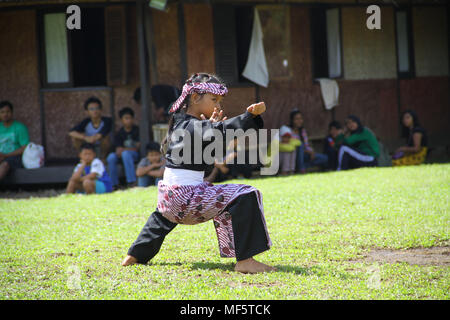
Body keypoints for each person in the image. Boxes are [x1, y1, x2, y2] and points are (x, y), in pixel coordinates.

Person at [122, 73, 275, 274]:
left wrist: (211, 131)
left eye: (220, 101)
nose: (218, 105)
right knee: (247, 193)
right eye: (214, 100)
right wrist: (250, 117)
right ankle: (245, 260)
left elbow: (207, 162)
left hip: (169, 201)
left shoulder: (181, 123)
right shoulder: (190, 125)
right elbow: (224, 131)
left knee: (161, 219)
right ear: (195, 98)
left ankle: (134, 256)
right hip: (186, 198)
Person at [69, 96, 112, 162]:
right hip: (89, 146)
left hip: (101, 147)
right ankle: (82, 156)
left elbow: (102, 134)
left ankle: (103, 158)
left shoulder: (107, 121)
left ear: (101, 110)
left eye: (97, 108)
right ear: (87, 111)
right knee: (75, 138)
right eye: (91, 109)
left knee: (105, 138)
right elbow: (71, 132)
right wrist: (85, 138)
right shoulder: (86, 122)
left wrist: (93, 138)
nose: (95, 111)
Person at [107, 107, 140, 189]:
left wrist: (124, 150)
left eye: (130, 118)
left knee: (125, 154)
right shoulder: (119, 133)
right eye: (126, 118)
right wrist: (121, 151)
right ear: (121, 120)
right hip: (121, 155)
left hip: (135, 155)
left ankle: (131, 182)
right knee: (111, 157)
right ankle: (114, 184)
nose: (128, 120)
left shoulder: (137, 130)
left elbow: (138, 147)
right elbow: (118, 149)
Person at [0, 101, 30, 181]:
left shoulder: (20, 127)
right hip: (1, 156)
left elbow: (25, 147)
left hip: (15, 157)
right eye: (2, 112)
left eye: (8, 112)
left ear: (12, 113)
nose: (5, 114)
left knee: (5, 165)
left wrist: (6, 156)